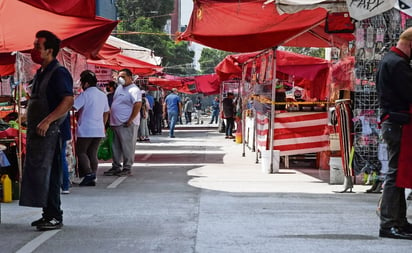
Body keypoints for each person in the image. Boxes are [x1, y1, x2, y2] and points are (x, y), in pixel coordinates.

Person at [19, 30, 74, 230]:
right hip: (39, 134)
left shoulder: (58, 72)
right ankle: (46, 214)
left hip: (52, 134)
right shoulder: (41, 72)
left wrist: (47, 121)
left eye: (37, 46)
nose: (34, 50)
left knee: (51, 174)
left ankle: (54, 216)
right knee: (41, 174)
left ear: (49, 50)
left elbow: (68, 100)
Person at [376, 27, 412, 240]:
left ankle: (398, 221)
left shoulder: (390, 60)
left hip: (394, 122)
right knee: (395, 173)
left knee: (396, 173)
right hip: (397, 123)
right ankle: (389, 223)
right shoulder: (398, 64)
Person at [73, 70, 109, 186]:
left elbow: (73, 107)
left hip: (86, 128)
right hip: (98, 128)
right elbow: (106, 112)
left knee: (81, 151)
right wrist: (102, 124)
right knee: (92, 152)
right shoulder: (102, 95)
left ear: (86, 83)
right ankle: (93, 176)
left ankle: (89, 174)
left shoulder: (85, 94)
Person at [103, 69, 142, 176]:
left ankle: (127, 167)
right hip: (115, 123)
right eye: (119, 76)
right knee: (115, 147)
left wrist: (130, 120)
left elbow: (138, 105)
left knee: (127, 146)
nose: (121, 79)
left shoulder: (134, 90)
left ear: (130, 77)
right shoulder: (119, 88)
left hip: (127, 123)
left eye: (123, 77)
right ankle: (116, 166)